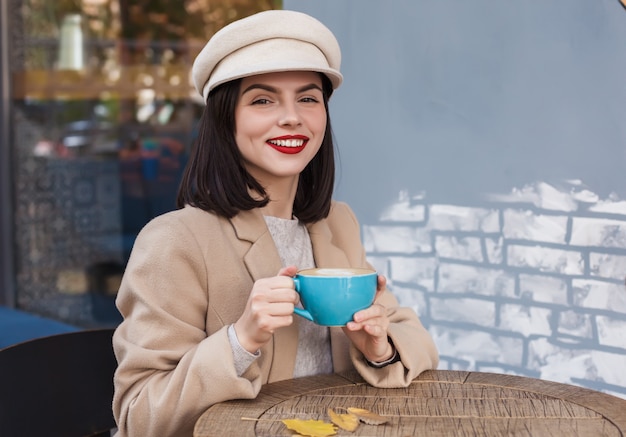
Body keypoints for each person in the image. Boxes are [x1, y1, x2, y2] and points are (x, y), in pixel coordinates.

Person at [112, 9, 439, 437]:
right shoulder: (175, 240)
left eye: (308, 98)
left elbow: (416, 341)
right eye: (263, 100)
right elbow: (139, 416)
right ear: (225, 119)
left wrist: (378, 348)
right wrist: (241, 339)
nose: (292, 117)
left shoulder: (336, 223)